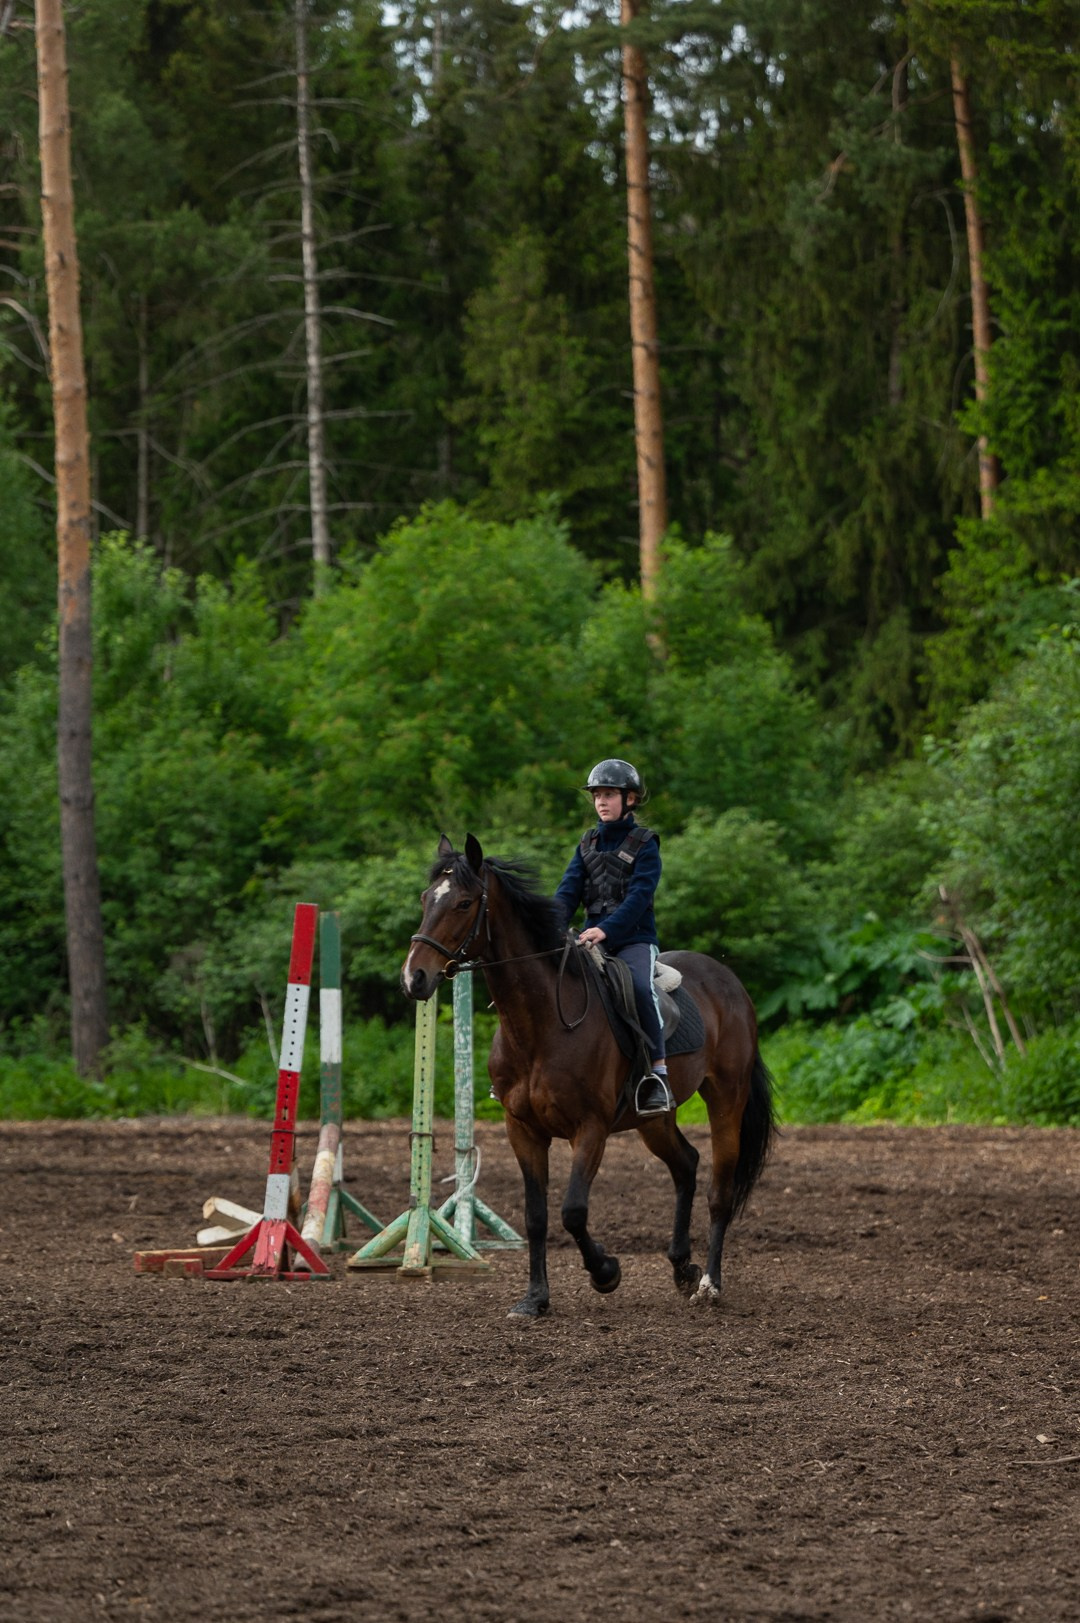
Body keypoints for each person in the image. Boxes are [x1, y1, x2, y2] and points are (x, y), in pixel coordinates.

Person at [554, 759, 674, 1116]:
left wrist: (606, 929)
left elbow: (639, 897)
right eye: (596, 796)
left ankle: (658, 1074)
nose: (601, 802)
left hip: (634, 939)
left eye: (608, 795)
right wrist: (549, 926)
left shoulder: (646, 843)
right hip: (591, 938)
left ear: (630, 799)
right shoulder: (586, 842)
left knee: (638, 986)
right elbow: (567, 891)